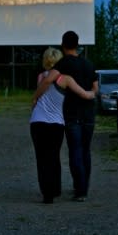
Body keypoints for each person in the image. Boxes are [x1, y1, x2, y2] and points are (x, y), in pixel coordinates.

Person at [34, 31, 98, 202]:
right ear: (78, 45)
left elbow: (48, 81)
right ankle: (83, 189)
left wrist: (36, 97)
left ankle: (79, 190)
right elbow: (95, 87)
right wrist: (91, 95)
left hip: (71, 114)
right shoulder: (88, 63)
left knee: (75, 151)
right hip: (89, 113)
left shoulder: (62, 64)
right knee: (86, 151)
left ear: (63, 45)